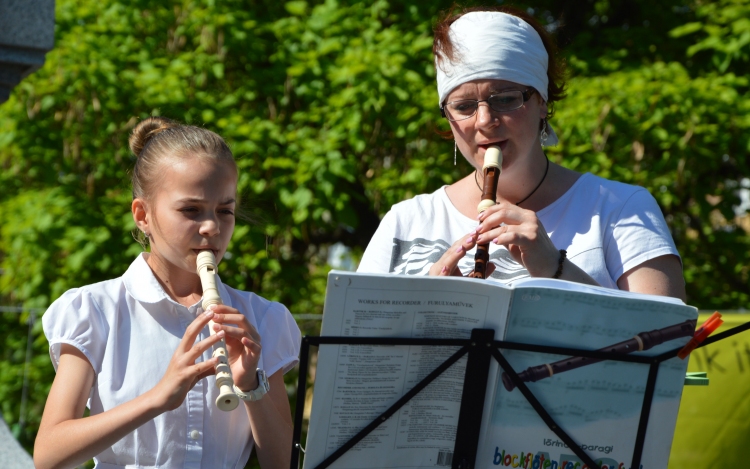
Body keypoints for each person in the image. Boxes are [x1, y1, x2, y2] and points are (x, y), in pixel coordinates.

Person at [358, 6, 686, 301]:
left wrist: (554, 267)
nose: (484, 121)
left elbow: (667, 351)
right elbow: (354, 355)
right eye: (464, 106)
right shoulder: (405, 222)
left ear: (542, 102)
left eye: (506, 99)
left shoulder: (622, 210)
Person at [34, 117, 301, 469]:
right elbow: (49, 455)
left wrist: (251, 385)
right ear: (142, 215)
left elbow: (282, 464)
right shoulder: (95, 310)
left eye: (225, 211)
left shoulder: (262, 318)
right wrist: (158, 398)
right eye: (191, 210)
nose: (212, 227)